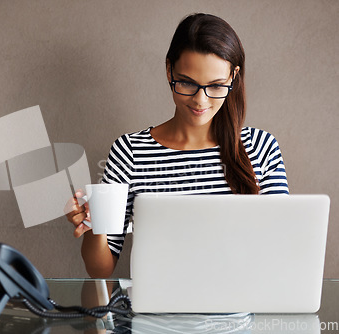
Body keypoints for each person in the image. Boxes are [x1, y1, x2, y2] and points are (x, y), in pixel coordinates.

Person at [65, 13, 289, 278]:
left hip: (240, 313)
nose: (200, 100)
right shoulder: (130, 152)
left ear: (233, 77)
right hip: (155, 315)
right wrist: (95, 224)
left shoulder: (261, 148)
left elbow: (281, 253)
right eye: (186, 83)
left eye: (216, 86)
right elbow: (99, 270)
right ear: (169, 70)